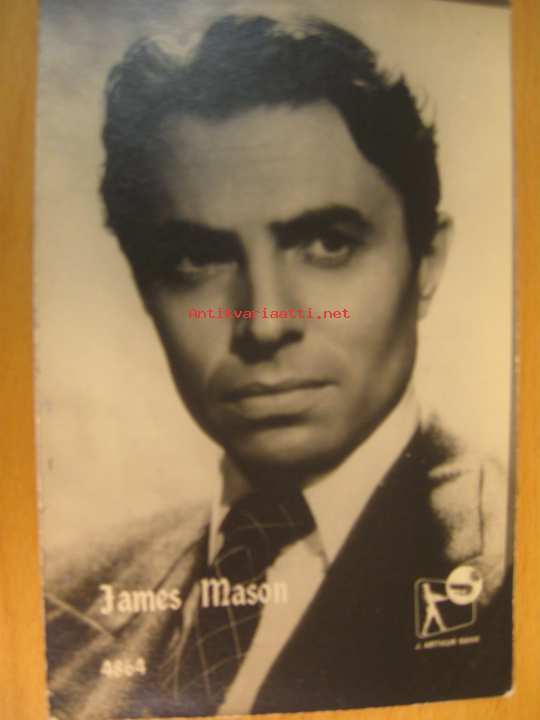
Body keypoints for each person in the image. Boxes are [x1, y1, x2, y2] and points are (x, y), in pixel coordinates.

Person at [44, 8, 512, 719]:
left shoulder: (514, 569)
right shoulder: (63, 597)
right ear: (144, 287)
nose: (263, 323)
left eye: (328, 244)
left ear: (427, 262)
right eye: (197, 258)